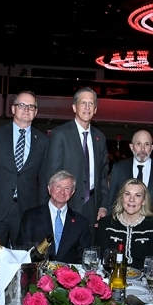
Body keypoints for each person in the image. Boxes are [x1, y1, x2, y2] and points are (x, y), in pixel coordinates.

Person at [0, 91, 49, 245]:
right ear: (13, 109)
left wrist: (42, 211)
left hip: (25, 211)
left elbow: (43, 179)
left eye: (31, 106)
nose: (26, 109)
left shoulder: (43, 141)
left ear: (36, 112)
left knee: (23, 259)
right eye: (22, 105)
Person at [44, 87, 108, 241]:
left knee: (88, 251)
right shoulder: (60, 134)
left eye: (91, 103)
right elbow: (52, 174)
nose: (87, 107)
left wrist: (103, 205)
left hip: (92, 206)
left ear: (95, 109)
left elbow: (103, 175)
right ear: (74, 107)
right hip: (67, 203)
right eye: (83, 103)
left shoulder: (100, 138)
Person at [108, 130, 153, 256]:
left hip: (151, 234)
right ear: (131, 147)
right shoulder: (119, 168)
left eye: (147, 144)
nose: (143, 149)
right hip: (121, 231)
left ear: (152, 147)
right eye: (138, 144)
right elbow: (111, 202)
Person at [17, 171, 90, 264]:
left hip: (68, 274)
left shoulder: (81, 222)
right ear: (49, 188)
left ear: (72, 192)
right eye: (58, 186)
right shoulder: (31, 216)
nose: (62, 192)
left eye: (67, 188)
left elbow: (83, 256)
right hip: (37, 272)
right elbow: (23, 249)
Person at [97, 179, 153, 267]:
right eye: (127, 194)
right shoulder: (106, 223)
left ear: (144, 201)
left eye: (138, 195)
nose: (131, 199)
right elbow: (102, 260)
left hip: (143, 279)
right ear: (121, 198)